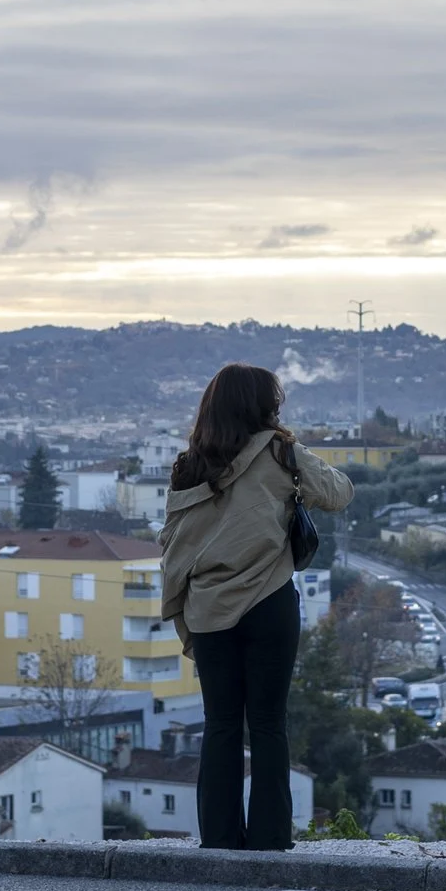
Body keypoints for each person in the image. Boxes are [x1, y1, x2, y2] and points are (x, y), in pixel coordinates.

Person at [159, 363, 353, 850]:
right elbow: (338, 493)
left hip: (208, 608)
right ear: (265, 406)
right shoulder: (280, 453)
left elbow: (174, 541)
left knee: (220, 723)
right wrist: (292, 452)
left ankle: (219, 838)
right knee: (268, 723)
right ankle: (269, 837)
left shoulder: (188, 466)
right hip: (269, 602)